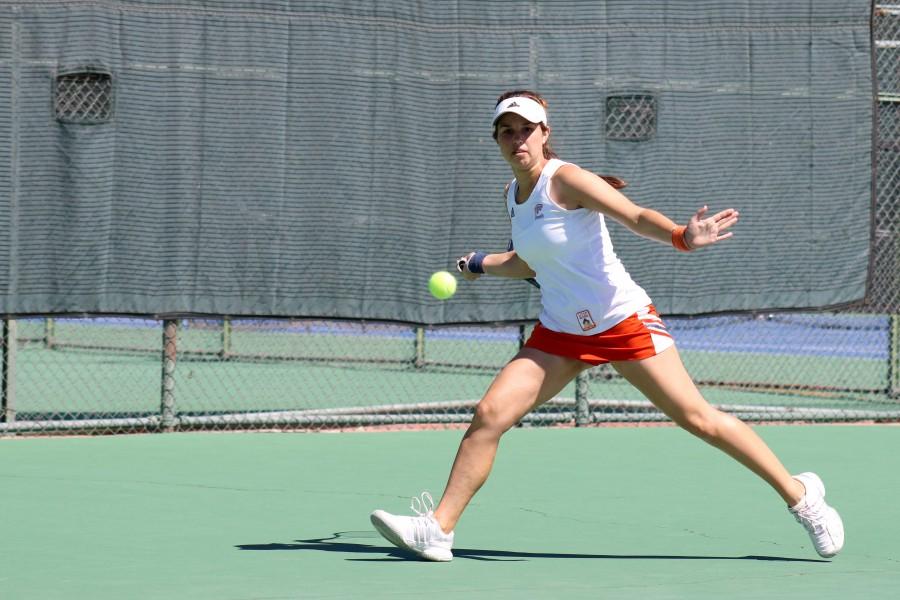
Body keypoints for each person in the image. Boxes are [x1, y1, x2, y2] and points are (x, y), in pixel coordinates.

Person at [370, 90, 844, 562]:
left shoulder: (567, 179)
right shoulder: (513, 196)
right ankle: (438, 529)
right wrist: (483, 264)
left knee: (698, 420)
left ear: (544, 134)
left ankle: (802, 497)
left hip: (621, 320)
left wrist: (682, 236)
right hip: (560, 332)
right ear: (496, 140)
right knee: (490, 414)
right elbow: (530, 262)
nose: (518, 139)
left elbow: (634, 215)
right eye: (507, 131)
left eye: (526, 130)